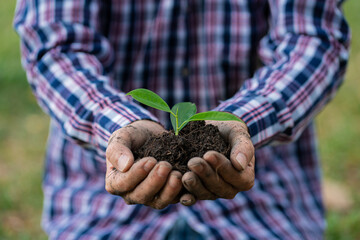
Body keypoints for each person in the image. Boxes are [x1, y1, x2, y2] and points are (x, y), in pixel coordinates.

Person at [14, 0, 350, 239]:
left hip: (264, 201)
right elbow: (54, 46)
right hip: (101, 207)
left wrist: (243, 122)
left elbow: (313, 37)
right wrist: (118, 127)